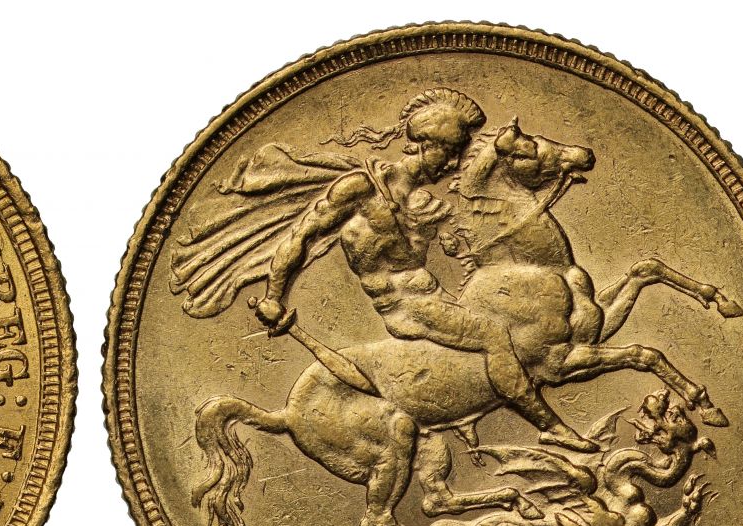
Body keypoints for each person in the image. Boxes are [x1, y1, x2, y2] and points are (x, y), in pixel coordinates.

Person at [252, 89, 596, 452]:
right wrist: (273, 295)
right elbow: (301, 236)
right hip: (407, 309)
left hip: (434, 297)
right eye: (450, 153)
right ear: (426, 145)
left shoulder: (418, 200)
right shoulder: (362, 189)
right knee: (494, 335)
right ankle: (550, 427)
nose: (452, 164)